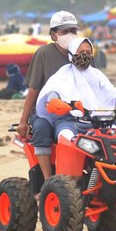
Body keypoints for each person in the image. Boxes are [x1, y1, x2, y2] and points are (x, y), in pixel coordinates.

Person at [36, 37, 116, 149]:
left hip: (99, 123)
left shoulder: (97, 75)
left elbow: (113, 93)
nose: (85, 55)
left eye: (88, 52)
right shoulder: (61, 75)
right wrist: (54, 101)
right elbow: (52, 92)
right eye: (80, 52)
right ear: (71, 53)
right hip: (70, 122)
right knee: (66, 140)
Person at [16, 11, 81, 181]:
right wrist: (24, 120)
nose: (70, 35)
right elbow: (34, 89)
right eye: (65, 31)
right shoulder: (43, 54)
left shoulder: (83, 53)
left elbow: (94, 84)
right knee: (42, 129)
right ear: (54, 34)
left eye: (73, 31)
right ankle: (48, 181)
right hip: (44, 110)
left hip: (76, 109)